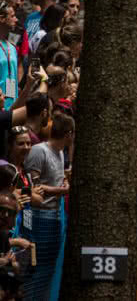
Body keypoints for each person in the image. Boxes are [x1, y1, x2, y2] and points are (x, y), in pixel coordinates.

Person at [21, 112, 72, 301]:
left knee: (48, 266)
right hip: (38, 215)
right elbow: (35, 187)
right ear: (69, 134)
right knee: (34, 267)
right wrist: (62, 191)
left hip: (54, 214)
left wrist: (64, 184)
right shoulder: (39, 151)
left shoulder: (60, 152)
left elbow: (54, 182)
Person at [0, 5, 16, 112]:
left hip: (12, 104)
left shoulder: (12, 47)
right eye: (13, 16)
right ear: (2, 18)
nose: (16, 19)